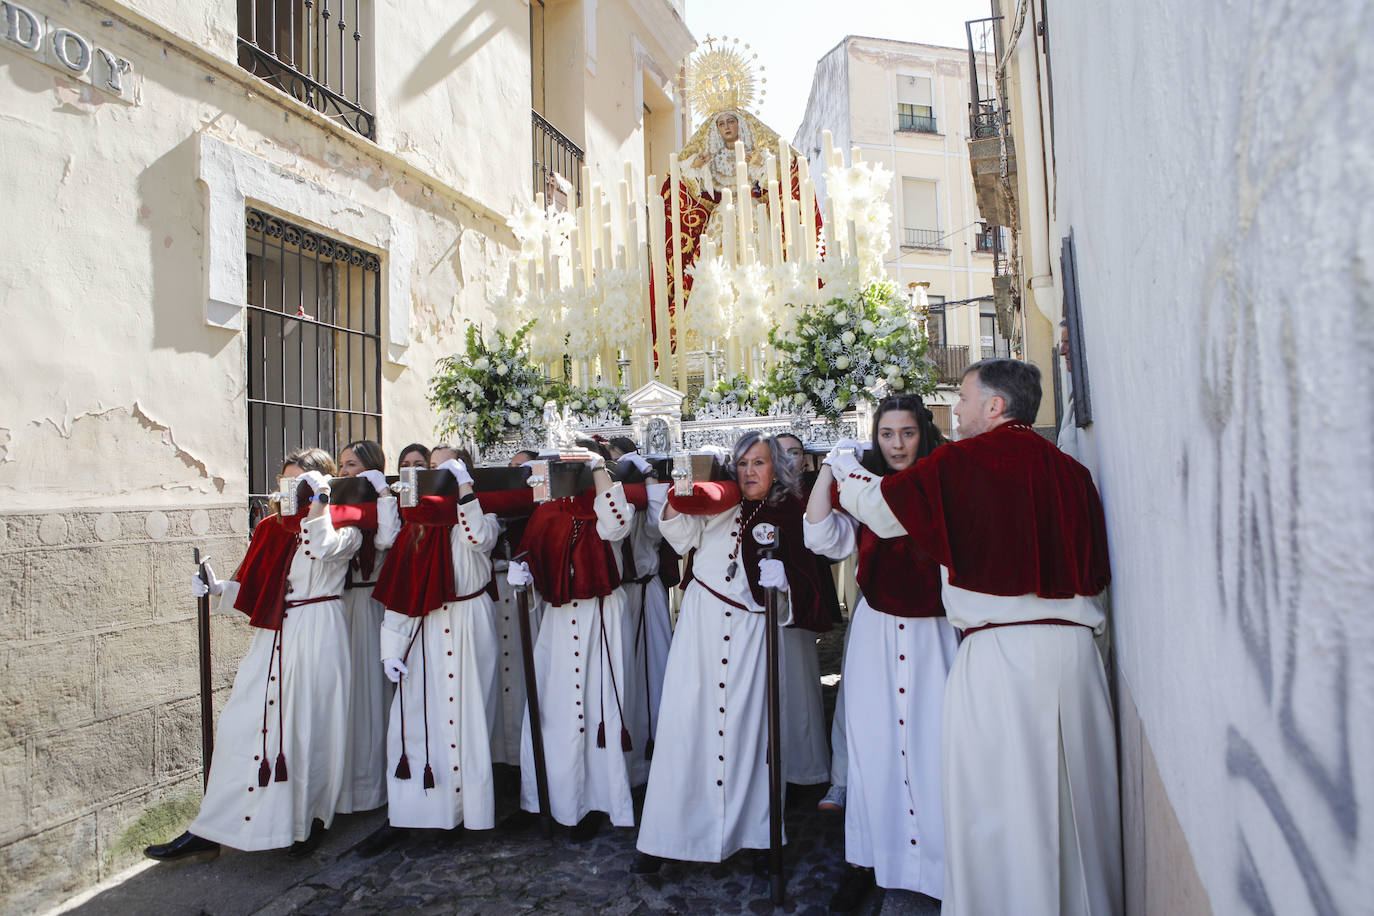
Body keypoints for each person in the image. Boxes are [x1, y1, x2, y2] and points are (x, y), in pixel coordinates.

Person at [827, 359, 1121, 916]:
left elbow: (884, 511)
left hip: (1000, 656)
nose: (954, 410)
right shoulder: (1072, 471)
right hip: (1078, 656)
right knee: (1076, 803)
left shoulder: (960, 463)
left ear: (995, 406)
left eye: (962, 398)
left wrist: (845, 472)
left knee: (996, 804)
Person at [145, 448, 367, 860]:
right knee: (241, 726)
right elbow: (252, 586)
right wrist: (216, 590)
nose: (290, 491)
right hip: (275, 636)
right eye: (285, 482)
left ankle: (308, 822)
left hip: (319, 630)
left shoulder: (349, 524)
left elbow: (322, 547)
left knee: (308, 730)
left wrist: (321, 503)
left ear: (322, 483)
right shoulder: (271, 528)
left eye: (300, 482)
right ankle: (210, 827)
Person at [633, 433, 836, 874]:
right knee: (686, 730)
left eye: (758, 463)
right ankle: (667, 835)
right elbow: (679, 534)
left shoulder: (790, 511)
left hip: (752, 633)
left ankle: (757, 836)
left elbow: (811, 577)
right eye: (742, 464)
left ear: (775, 468)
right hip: (702, 629)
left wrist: (785, 584)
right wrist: (679, 494)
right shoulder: (718, 502)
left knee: (751, 735)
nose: (749, 472)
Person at [806, 396, 955, 911]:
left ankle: (942, 861)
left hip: (932, 634)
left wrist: (850, 473)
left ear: (923, 433)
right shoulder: (864, 486)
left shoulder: (935, 481)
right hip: (876, 632)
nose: (897, 445)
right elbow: (820, 534)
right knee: (874, 746)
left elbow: (895, 518)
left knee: (933, 743)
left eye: (907, 433)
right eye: (887, 434)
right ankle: (867, 859)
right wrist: (829, 466)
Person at [360, 454, 501, 854]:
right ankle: (413, 813)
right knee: (417, 721)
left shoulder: (478, 515)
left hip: (469, 624)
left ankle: (467, 811)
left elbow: (479, 537)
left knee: (468, 721)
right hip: (426, 629)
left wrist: (464, 489)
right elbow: (401, 591)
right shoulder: (415, 530)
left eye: (447, 468)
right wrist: (391, 648)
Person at [506, 451, 638, 842]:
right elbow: (534, 559)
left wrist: (599, 468)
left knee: (598, 710)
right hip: (560, 620)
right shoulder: (546, 512)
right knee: (553, 710)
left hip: (600, 614)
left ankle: (596, 801)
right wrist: (524, 575)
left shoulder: (602, 506)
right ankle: (544, 800)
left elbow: (618, 525)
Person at [334, 441, 402, 816]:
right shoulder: (335, 505)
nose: (345, 471)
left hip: (370, 606)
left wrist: (381, 490)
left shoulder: (382, 503)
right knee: (344, 697)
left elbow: (387, 539)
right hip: (340, 608)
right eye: (341, 464)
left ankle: (373, 786)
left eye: (353, 464)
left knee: (370, 695)